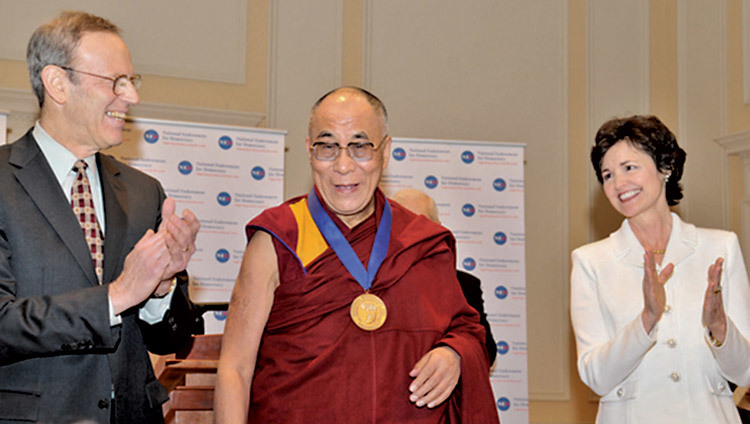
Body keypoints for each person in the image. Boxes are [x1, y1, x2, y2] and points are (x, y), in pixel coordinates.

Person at [214, 87, 499, 423]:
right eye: (328, 147)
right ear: (309, 151)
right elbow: (235, 368)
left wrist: (453, 354)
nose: (344, 166)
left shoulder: (422, 242)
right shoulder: (280, 237)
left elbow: (466, 329)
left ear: (386, 150)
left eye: (360, 147)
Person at [0, 12, 201, 423]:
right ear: (57, 83)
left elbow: (173, 340)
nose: (131, 97)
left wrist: (160, 291)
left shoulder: (144, 192)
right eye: (115, 82)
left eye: (132, 81)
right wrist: (119, 295)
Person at [570, 115, 750, 423]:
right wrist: (646, 320)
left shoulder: (721, 248)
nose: (618, 184)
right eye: (608, 175)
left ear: (665, 167)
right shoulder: (591, 261)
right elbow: (595, 377)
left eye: (629, 168)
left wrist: (719, 327)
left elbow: (745, 371)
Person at [391, 188, 497, 365]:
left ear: (437, 229)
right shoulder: (371, 286)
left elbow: (487, 352)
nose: (409, 235)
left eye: (417, 224)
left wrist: (451, 353)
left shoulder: (464, 285)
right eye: (400, 224)